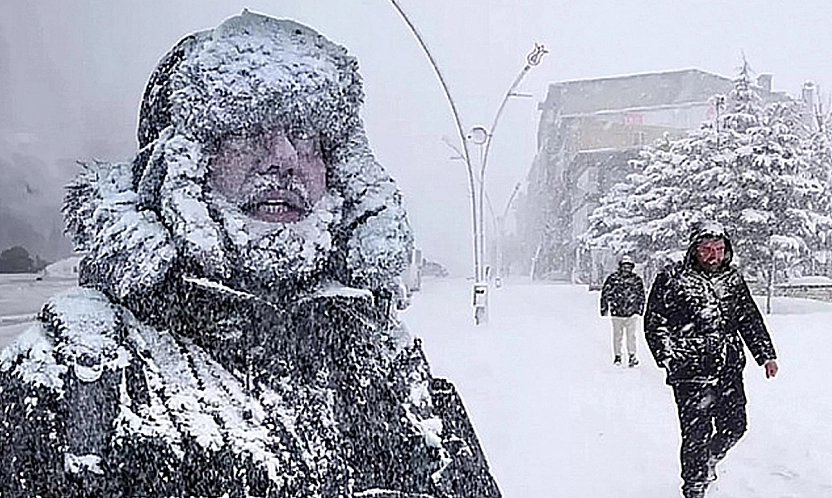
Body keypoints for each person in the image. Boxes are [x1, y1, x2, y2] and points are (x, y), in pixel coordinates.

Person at [0, 12, 501, 498]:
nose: (285, 158)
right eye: (244, 131)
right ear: (177, 166)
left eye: (306, 134)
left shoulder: (383, 355)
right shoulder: (72, 373)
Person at [644, 222, 779, 498]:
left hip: (728, 368)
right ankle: (694, 487)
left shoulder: (732, 279)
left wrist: (765, 355)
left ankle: (709, 460)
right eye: (706, 249)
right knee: (696, 434)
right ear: (694, 249)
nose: (713, 255)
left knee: (735, 427)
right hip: (690, 371)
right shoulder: (673, 278)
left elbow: (749, 318)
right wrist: (668, 356)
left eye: (718, 249)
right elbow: (655, 322)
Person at [600, 255, 645, 367]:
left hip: (632, 312)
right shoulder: (613, 279)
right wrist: (604, 308)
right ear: (620, 266)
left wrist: (640, 309)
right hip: (617, 312)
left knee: (631, 336)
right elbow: (605, 294)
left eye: (628, 266)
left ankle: (632, 356)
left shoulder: (636, 280)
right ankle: (617, 356)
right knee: (617, 336)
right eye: (624, 266)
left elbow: (641, 295)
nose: (626, 269)